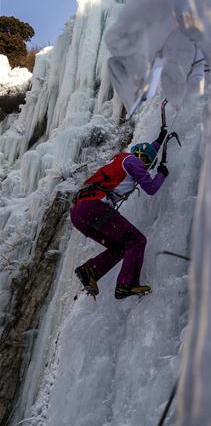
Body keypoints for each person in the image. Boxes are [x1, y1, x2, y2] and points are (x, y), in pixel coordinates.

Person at [71, 123, 170, 300]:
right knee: (137, 241)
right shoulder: (134, 162)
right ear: (141, 157)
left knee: (120, 248)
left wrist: (160, 140)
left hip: (79, 212)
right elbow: (151, 188)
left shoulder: (123, 158)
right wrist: (161, 173)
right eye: (147, 163)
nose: (146, 167)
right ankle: (127, 284)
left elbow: (148, 151)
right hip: (95, 207)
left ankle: (90, 270)